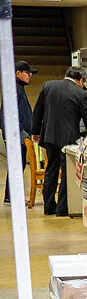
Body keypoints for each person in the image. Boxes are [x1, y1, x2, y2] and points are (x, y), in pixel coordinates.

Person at [31, 66, 87, 217]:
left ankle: (48, 207)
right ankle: (62, 208)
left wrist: (35, 131)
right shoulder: (80, 93)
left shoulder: (48, 86)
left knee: (51, 169)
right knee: (66, 172)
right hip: (69, 139)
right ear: (80, 80)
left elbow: (38, 110)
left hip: (49, 135)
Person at [3, 61, 36, 205]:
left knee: (18, 166)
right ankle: (12, 197)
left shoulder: (18, 88)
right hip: (15, 136)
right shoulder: (14, 89)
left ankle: (10, 197)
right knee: (17, 166)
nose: (30, 76)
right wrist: (21, 132)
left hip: (18, 134)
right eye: (27, 73)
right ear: (18, 73)